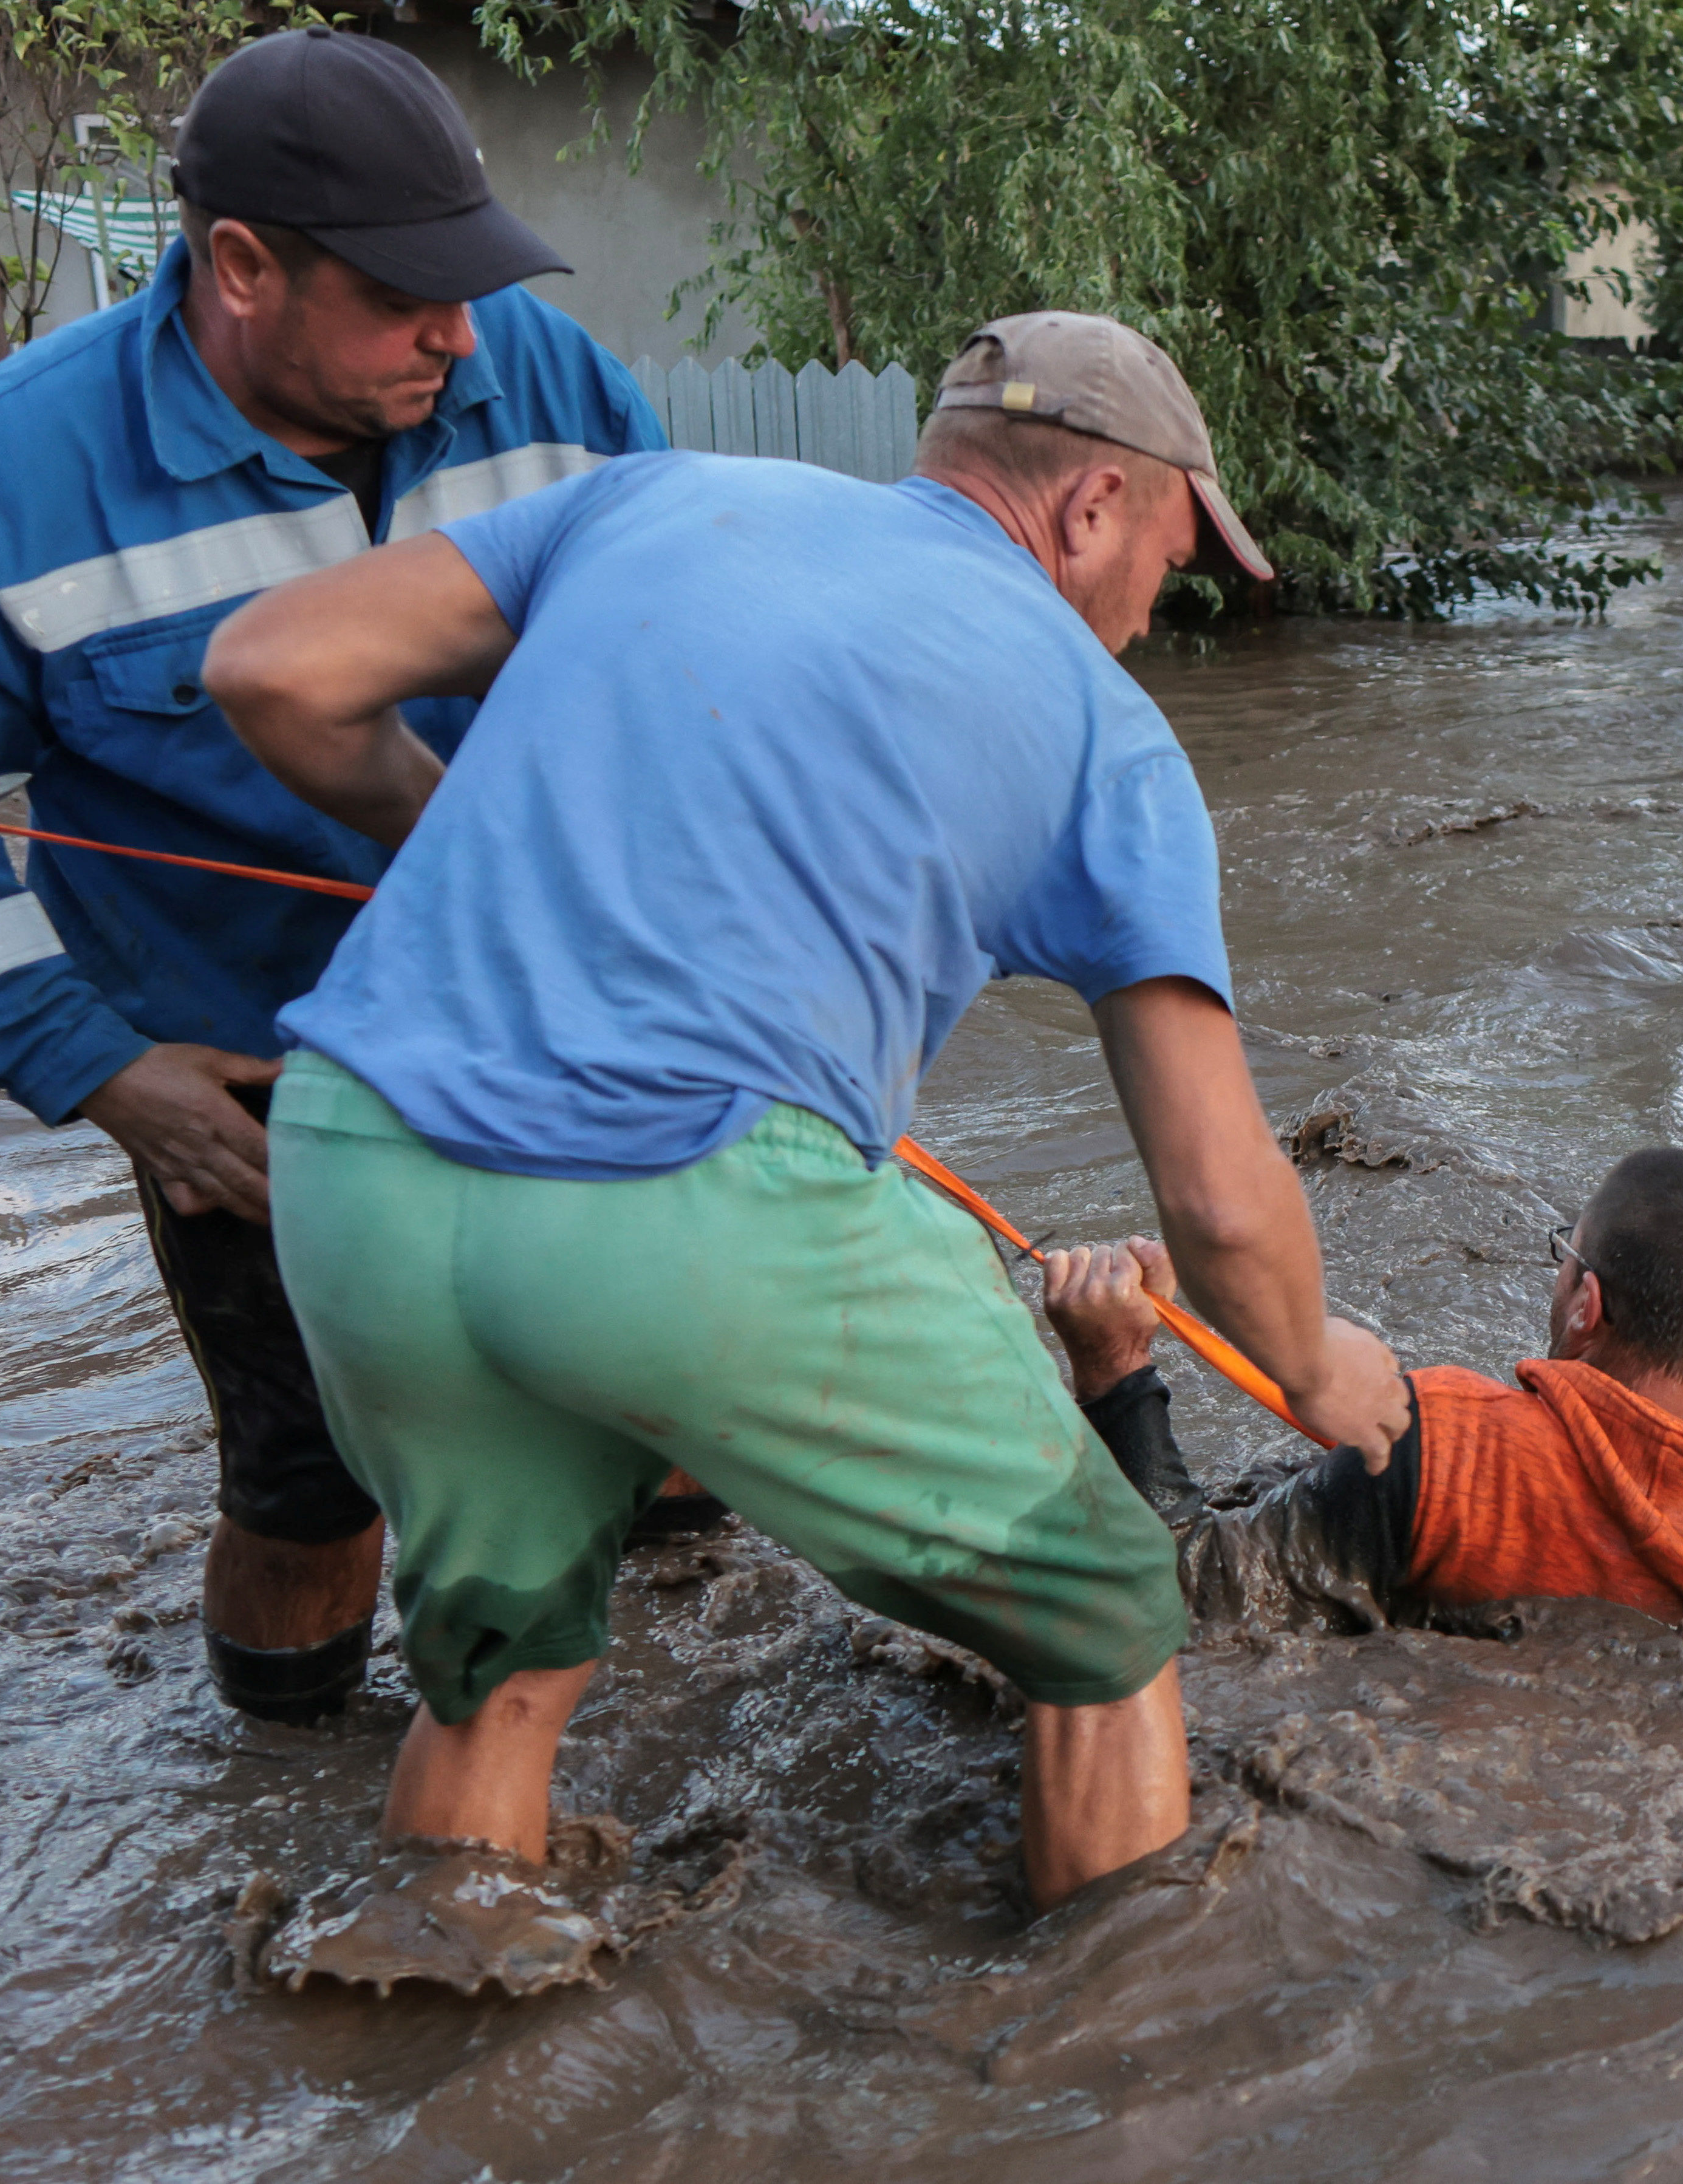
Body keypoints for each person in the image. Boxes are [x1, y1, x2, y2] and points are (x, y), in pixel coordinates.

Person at [201, 310, 1409, 1910]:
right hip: (682, 1201)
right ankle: (1128, 2078)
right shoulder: (1106, 729)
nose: (1146, 613)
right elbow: (1217, 1196)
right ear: (1094, 506)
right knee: (1112, 1612)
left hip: (354, 1159)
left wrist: (442, 831)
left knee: (497, 1675)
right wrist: (1322, 1368)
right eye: (1170, 563)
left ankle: (441, 2057)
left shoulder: (653, 494)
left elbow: (270, 666)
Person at [0, 26, 678, 1726]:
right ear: (242, 269)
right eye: (409, 297)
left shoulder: (550, 385)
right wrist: (107, 1075)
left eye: (473, 283)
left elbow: (670, 668)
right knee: (307, 1492)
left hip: (566, 1022)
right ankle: (277, 1771)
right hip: (259, 1088)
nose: (461, 336)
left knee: (666, 1390)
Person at [1040, 1147, 1683, 1634]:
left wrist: (1116, 1370)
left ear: (1586, 1305)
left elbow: (1183, 1596)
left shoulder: (1437, 1448)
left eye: (1565, 1255)